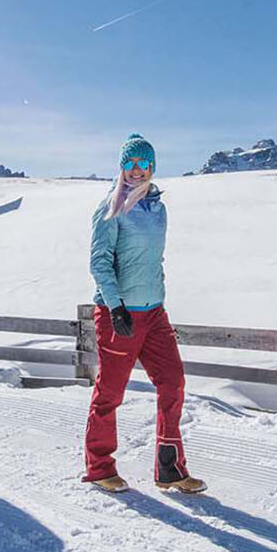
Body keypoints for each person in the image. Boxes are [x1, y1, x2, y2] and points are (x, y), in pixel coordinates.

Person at [82, 134, 205, 494]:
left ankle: (170, 468)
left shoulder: (158, 209)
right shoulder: (110, 208)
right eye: (130, 163)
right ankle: (99, 466)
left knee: (173, 382)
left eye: (143, 163)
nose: (136, 170)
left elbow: (154, 261)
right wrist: (116, 306)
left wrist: (158, 300)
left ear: (152, 167)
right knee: (110, 393)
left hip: (154, 314)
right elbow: (99, 263)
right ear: (121, 168)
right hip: (119, 313)